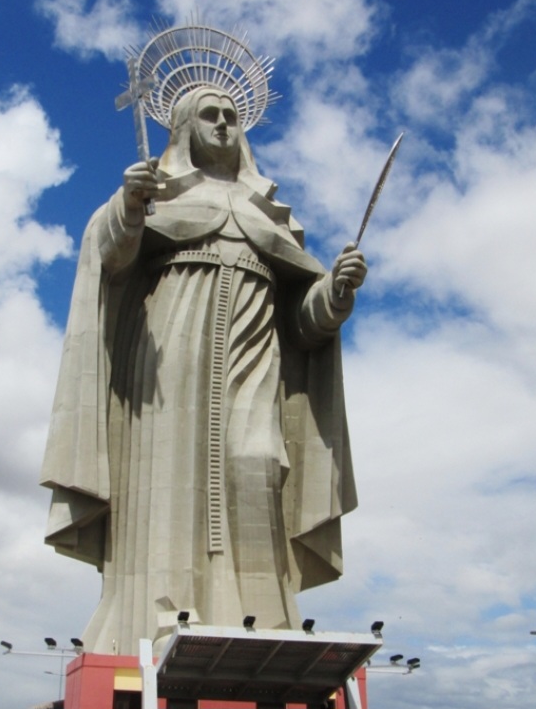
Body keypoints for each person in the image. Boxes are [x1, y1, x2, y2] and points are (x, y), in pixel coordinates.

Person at [40, 86, 366, 655]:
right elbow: (110, 254)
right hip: (169, 358)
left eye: (231, 116)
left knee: (260, 461)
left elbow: (304, 325)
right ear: (185, 127)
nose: (222, 125)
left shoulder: (269, 213)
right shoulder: (158, 193)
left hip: (254, 355)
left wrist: (334, 293)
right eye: (209, 115)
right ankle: (154, 617)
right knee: (166, 475)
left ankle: (262, 620)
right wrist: (129, 206)